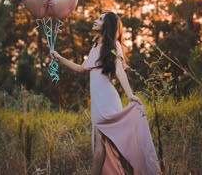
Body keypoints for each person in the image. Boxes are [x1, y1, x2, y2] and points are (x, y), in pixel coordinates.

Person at [50, 11, 160, 175]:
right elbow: (81, 68)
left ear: (107, 25)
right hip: (98, 102)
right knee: (107, 144)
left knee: (106, 144)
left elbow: (120, 71)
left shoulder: (113, 45)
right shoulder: (95, 47)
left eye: (100, 19)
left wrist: (130, 94)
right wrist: (59, 58)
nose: (95, 19)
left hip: (107, 100)